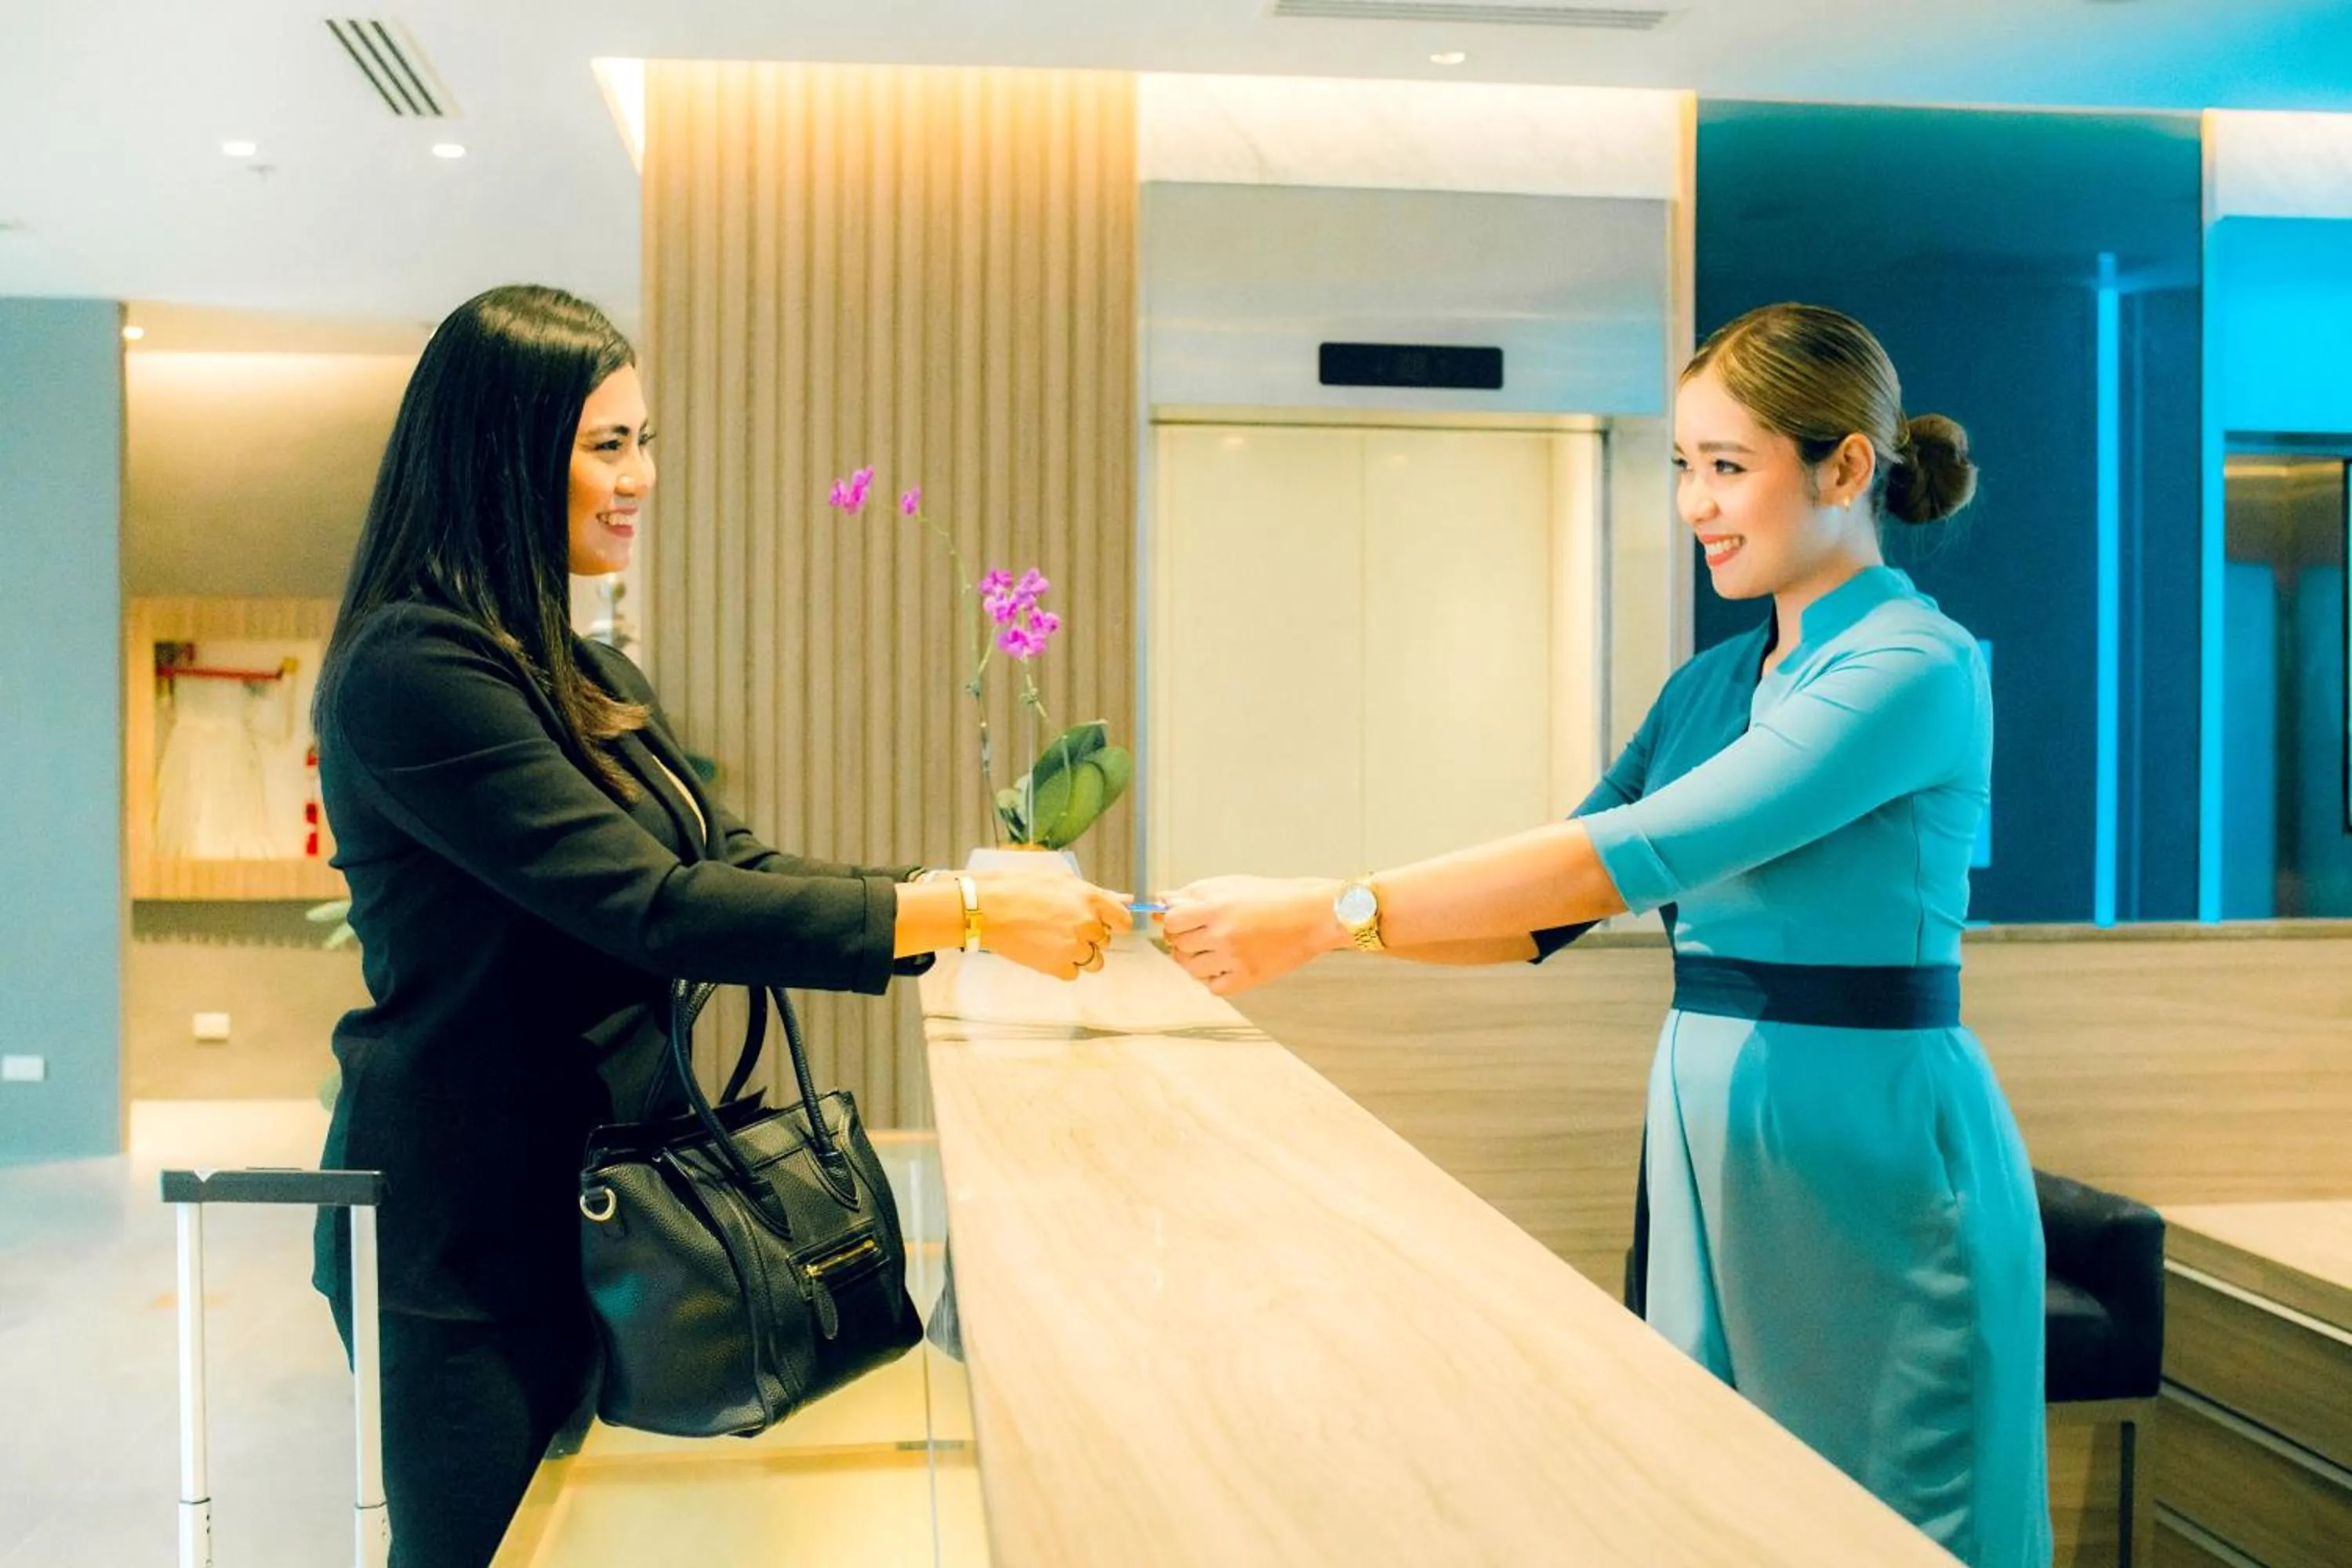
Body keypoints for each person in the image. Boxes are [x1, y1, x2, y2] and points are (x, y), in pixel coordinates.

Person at [1160, 303, 2050, 1568]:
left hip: (1873, 1145)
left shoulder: (1913, 665)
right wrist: (1311, 938)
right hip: (1718, 1139)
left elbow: (1631, 858)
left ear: (1847, 467)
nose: (1696, 502)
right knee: (1729, 1505)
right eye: (1686, 465)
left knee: (1889, 1519)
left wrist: (1321, 912)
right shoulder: (1710, 686)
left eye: (1730, 467)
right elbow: (1546, 913)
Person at [310, 283, 1128, 1568]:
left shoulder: (583, 673)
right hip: (467, 1238)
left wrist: (951, 897)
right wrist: (967, 910)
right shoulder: (415, 671)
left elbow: (723, 859)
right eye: (606, 446)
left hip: (613, 1194)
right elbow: (650, 911)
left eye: (646, 442)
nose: (639, 479)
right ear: (503, 452)